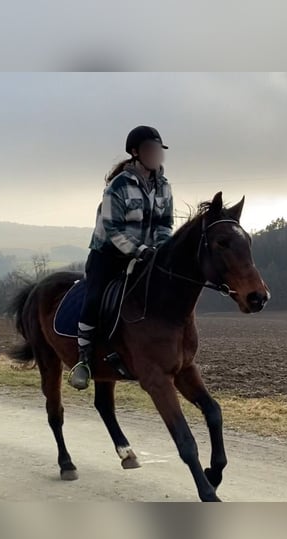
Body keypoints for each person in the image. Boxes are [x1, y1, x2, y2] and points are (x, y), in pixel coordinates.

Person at [68, 125, 174, 390]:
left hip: (146, 256)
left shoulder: (164, 186)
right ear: (136, 153)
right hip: (108, 255)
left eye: (159, 150)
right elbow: (113, 229)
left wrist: (161, 253)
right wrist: (140, 250)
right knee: (93, 299)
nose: (156, 155)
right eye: (151, 150)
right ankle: (83, 360)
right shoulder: (117, 187)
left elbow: (164, 225)